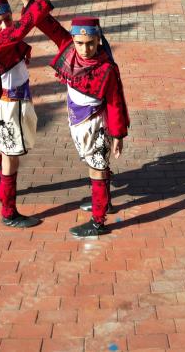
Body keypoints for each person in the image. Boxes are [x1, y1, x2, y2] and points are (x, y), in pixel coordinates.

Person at [0, 0, 79, 228]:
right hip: (9, 108)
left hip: (1, 106)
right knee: (11, 157)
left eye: (7, 19)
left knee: (0, 147)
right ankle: (9, 213)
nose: (5, 25)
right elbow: (23, 27)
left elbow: (24, 22)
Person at [34, 13, 129, 237]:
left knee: (96, 168)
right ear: (73, 40)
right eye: (80, 44)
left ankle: (98, 221)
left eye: (90, 44)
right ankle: (104, 204)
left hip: (97, 124)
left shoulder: (106, 69)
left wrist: (117, 135)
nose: (85, 49)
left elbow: (116, 103)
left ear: (99, 40)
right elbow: (45, 23)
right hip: (76, 120)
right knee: (95, 164)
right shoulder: (68, 50)